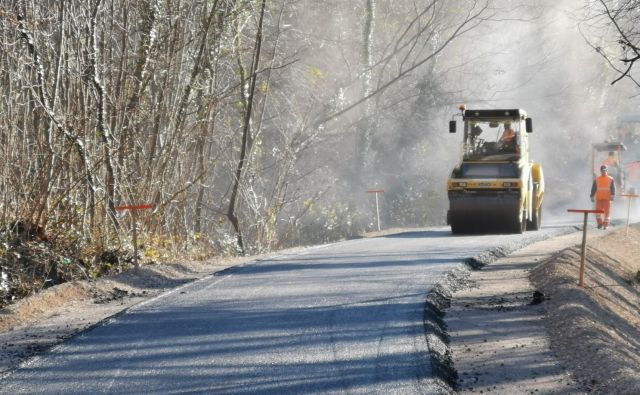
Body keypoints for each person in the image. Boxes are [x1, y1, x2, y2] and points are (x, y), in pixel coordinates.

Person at [590, 164, 616, 229]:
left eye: (604, 170)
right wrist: (592, 196)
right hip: (599, 198)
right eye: (602, 170)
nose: (603, 172)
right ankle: (600, 224)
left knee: (607, 213)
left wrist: (612, 195)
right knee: (598, 212)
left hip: (607, 199)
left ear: (606, 170)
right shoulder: (597, 179)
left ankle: (605, 225)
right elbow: (594, 188)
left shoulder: (610, 179)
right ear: (600, 171)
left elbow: (613, 188)